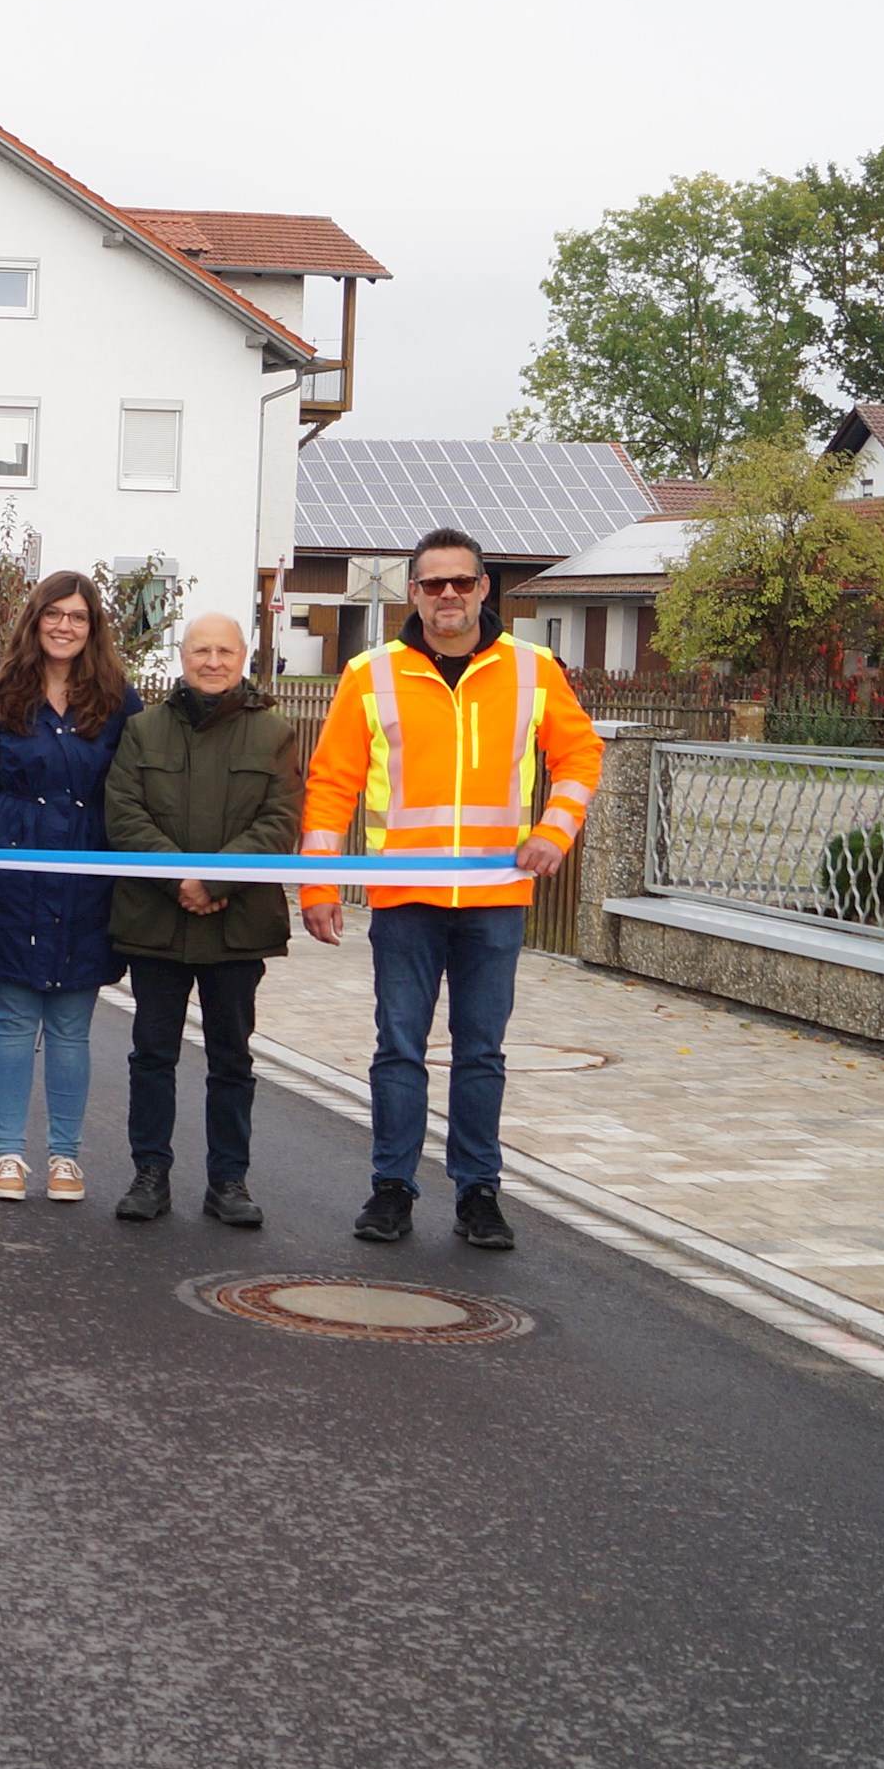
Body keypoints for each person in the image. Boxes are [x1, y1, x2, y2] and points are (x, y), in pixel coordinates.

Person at [298, 524, 603, 1251]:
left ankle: (478, 1192)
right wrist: (317, 886)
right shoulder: (370, 673)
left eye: (461, 582)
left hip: (496, 898)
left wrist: (554, 832)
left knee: (481, 1052)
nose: (448, 595)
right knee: (398, 1046)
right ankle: (392, 1190)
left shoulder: (532, 668)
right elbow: (331, 782)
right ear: (413, 592)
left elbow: (581, 753)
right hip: (403, 897)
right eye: (433, 583)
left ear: (483, 588)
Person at [104, 611, 306, 1228]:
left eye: (224, 650)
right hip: (156, 923)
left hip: (237, 925)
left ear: (242, 656)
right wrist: (181, 882)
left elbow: (281, 822)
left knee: (232, 1059)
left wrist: (214, 880)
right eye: (200, 650)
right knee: (152, 1055)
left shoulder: (274, 733)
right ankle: (150, 1175)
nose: (212, 661)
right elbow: (125, 817)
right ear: (182, 656)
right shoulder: (142, 730)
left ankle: (229, 1182)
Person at [0, 568, 137, 1205]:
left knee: (70, 1025)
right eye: (53, 614)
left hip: (88, 875)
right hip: (13, 873)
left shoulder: (119, 698)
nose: (65, 626)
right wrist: (11, 836)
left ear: (93, 628)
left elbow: (128, 783)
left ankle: (66, 1157)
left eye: (78, 617)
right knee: (10, 1022)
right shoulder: (0, 693)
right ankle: (8, 1154)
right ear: (35, 622)